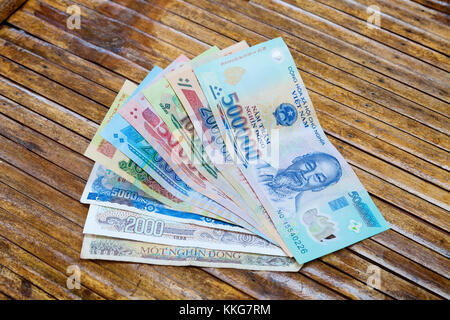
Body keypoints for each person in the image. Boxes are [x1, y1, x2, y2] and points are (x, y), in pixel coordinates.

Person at [256, 152, 342, 213]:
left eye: (318, 177)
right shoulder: (257, 164)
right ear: (298, 159)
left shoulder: (285, 211)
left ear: (319, 188)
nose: (306, 175)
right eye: (309, 166)